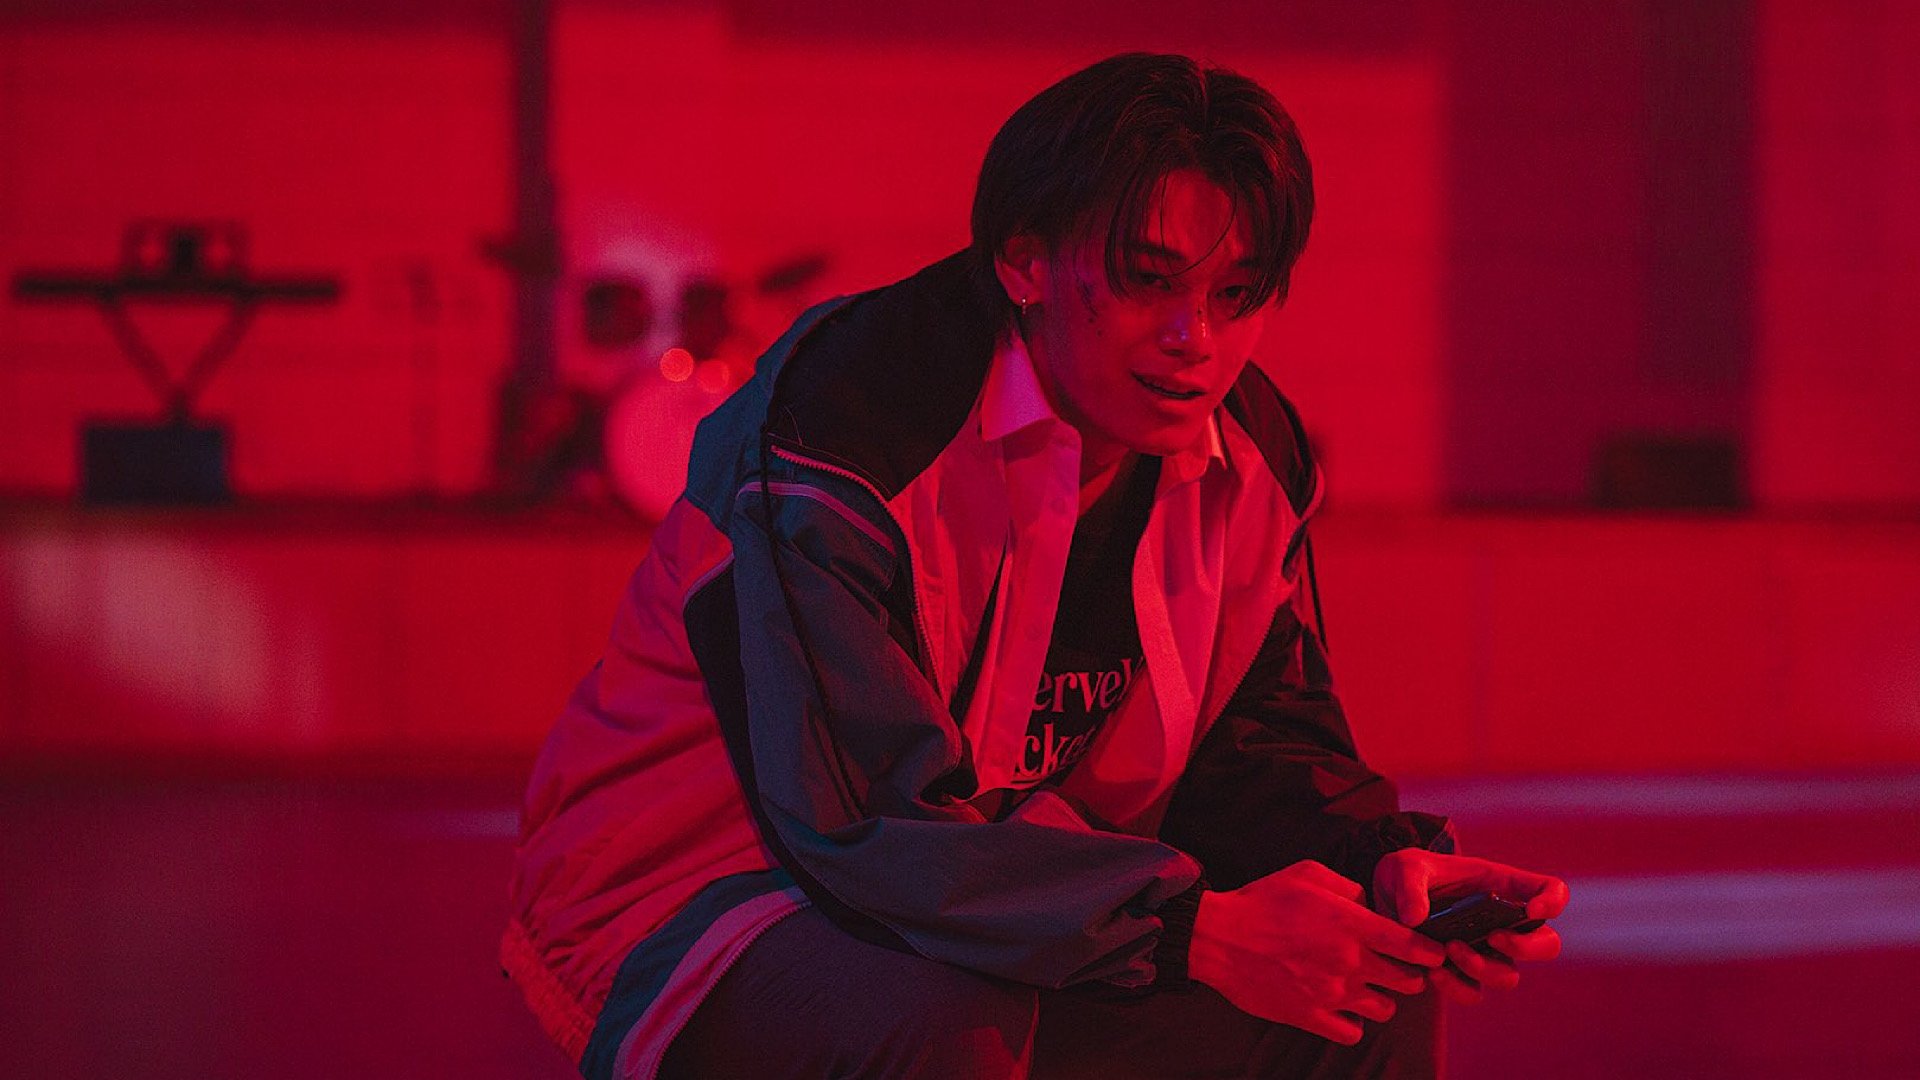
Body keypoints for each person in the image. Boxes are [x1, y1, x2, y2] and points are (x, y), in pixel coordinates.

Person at [502, 52, 1568, 1080]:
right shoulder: (851, 426)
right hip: (712, 892)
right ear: (1023, 260)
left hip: (1011, 892)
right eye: (1150, 281)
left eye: (1239, 294)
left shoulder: (1252, 456)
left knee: (1366, 991)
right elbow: (863, 819)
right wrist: (1191, 931)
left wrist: (1376, 865)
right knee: (946, 1018)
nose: (1196, 337)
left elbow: (1261, 743)